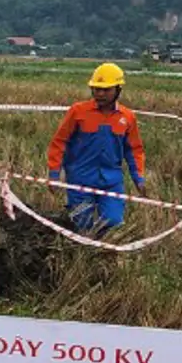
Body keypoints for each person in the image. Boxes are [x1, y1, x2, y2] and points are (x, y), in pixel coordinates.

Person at [47, 62, 146, 236]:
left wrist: (139, 178)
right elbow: (59, 142)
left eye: (106, 90)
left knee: (113, 223)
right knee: (81, 225)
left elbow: (134, 150)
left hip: (111, 182)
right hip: (80, 180)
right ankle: (80, 257)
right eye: (96, 89)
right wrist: (54, 174)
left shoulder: (127, 117)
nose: (100, 94)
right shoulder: (78, 112)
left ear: (118, 89)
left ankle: (102, 255)